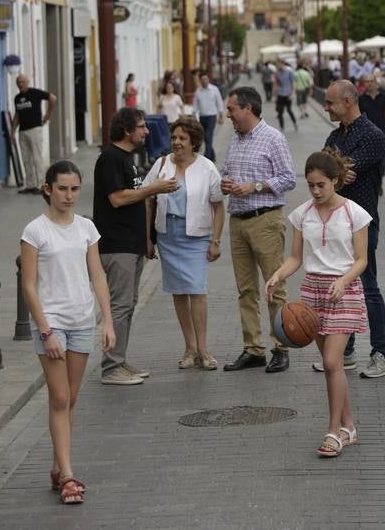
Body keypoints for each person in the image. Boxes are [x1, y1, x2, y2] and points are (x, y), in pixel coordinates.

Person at [20, 160, 116, 505]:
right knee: (59, 399)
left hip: (80, 321)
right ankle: (69, 476)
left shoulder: (87, 228)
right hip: (52, 324)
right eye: (62, 188)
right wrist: (45, 331)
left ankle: (58, 465)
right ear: (47, 189)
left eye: (74, 188)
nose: (69, 195)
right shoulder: (35, 231)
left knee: (71, 399)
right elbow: (29, 286)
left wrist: (107, 320)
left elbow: (98, 276)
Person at [265, 150, 369, 457]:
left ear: (335, 181)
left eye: (321, 184)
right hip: (313, 292)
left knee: (331, 363)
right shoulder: (302, 214)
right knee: (332, 367)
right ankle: (349, 427)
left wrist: (343, 280)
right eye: (310, 185)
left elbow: (362, 260)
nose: (315, 191)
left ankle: (333, 432)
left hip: (343, 290)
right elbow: (296, 257)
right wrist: (277, 275)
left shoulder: (355, 213)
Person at [94, 107, 179, 386]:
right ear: (126, 130)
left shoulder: (127, 158)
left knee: (129, 304)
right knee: (120, 306)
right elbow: (117, 198)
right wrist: (153, 188)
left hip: (131, 243)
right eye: (141, 126)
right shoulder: (110, 158)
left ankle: (119, 359)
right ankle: (111, 367)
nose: (147, 130)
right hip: (116, 244)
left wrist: (146, 239)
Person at [221, 86, 296, 373]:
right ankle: (253, 348)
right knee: (246, 289)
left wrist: (255, 186)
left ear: (247, 108)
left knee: (274, 285)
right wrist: (225, 182)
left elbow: (288, 178)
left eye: (232, 109)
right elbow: (227, 170)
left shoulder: (273, 138)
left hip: (265, 219)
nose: (229, 115)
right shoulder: (235, 140)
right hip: (237, 220)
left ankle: (281, 347)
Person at [321, 80, 385, 379]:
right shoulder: (335, 135)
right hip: (335, 224)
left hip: (362, 224)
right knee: (340, 287)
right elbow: (327, 174)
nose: (326, 108)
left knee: (368, 288)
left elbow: (341, 174)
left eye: (330, 103)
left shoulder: (373, 135)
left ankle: (380, 353)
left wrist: (334, 172)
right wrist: (334, 173)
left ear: (348, 102)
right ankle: (346, 352)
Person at [143, 117, 224, 370]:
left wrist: (215, 241)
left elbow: (218, 206)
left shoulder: (207, 167)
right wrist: (147, 237)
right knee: (179, 292)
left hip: (196, 236)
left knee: (197, 290)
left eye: (182, 139)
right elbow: (147, 198)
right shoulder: (161, 163)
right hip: (168, 234)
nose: (176, 143)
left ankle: (203, 349)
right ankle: (189, 347)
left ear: (194, 142)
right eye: (174, 137)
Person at [11, 74, 57, 194]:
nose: (20, 84)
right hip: (22, 131)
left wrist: (47, 115)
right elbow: (17, 115)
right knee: (26, 159)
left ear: (27, 82)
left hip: (35, 129)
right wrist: (12, 132)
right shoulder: (17, 98)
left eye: (22, 82)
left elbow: (53, 98)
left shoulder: (35, 93)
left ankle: (41, 186)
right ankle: (30, 185)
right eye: (18, 82)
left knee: (37, 158)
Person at [358, 74, 385, 175]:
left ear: (375, 83)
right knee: (367, 162)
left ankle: (378, 183)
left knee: (382, 162)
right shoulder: (360, 99)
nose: (369, 84)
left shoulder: (384, 97)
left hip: (381, 135)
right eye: (367, 82)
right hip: (365, 136)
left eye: (371, 81)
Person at [192, 72, 224, 162]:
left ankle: (207, 158)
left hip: (212, 116)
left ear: (208, 80)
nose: (204, 81)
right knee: (205, 137)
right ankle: (212, 155)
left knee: (208, 136)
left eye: (206, 79)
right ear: (200, 81)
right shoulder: (198, 91)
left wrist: (221, 115)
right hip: (202, 117)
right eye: (202, 80)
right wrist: (194, 114)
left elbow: (219, 102)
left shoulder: (214, 89)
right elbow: (195, 105)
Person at [273, 58, 297, 131]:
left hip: (288, 94)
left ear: (283, 64)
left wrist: (293, 93)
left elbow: (293, 83)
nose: (278, 65)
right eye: (277, 64)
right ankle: (282, 127)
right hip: (280, 93)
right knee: (280, 111)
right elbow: (276, 83)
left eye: (279, 64)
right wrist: (274, 95)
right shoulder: (277, 72)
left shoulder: (289, 71)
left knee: (289, 110)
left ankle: (294, 123)